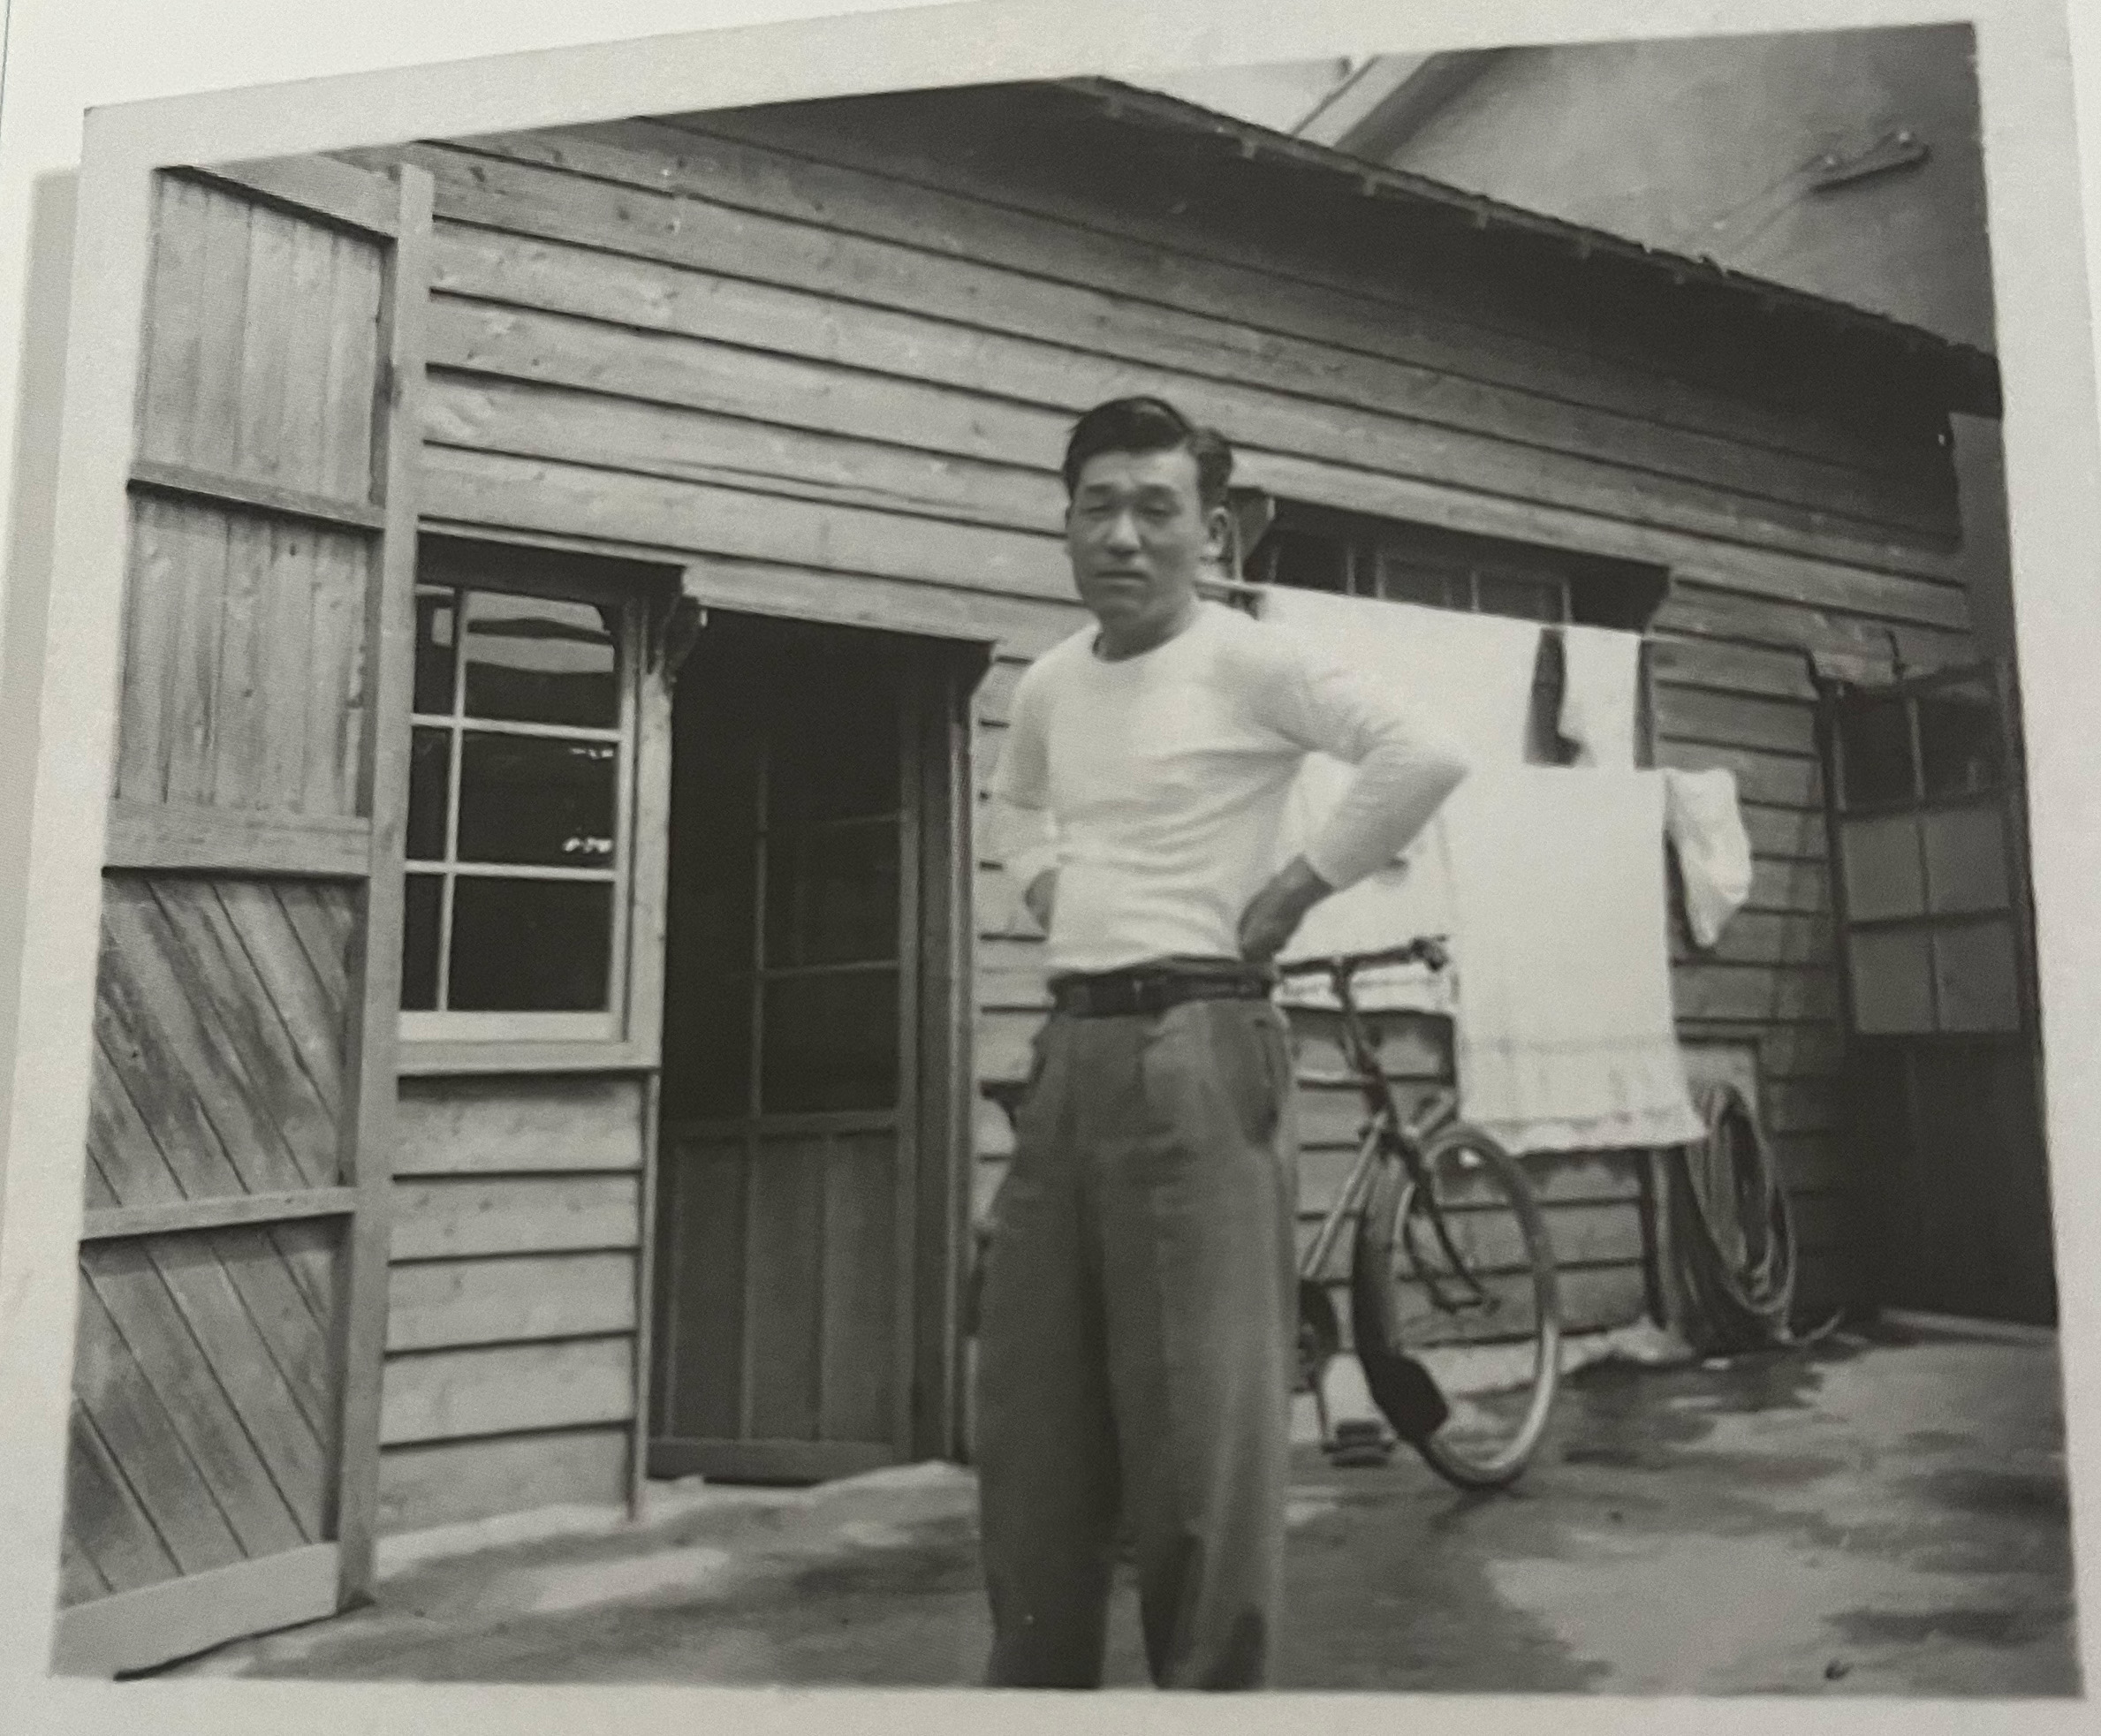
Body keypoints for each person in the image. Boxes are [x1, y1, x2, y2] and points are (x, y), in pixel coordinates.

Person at [975, 396, 1469, 1690]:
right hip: (1069, 1053)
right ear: (1065, 521)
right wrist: (1048, 888)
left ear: (1212, 531)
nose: (1123, 536)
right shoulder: (1051, 681)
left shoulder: (1251, 659)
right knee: (1033, 1429)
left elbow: (1422, 752)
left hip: (1200, 1043)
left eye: (1157, 508)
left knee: (1197, 1436)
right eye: (1097, 507)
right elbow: (1015, 809)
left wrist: (1298, 887)